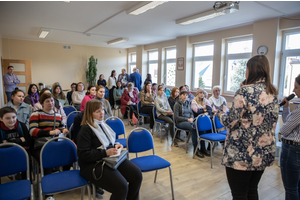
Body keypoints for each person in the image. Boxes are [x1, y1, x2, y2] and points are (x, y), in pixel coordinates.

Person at [217, 55, 279, 200]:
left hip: (242, 154)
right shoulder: (273, 92)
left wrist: (220, 114)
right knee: (252, 190)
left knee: (239, 194)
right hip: (263, 152)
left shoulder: (244, 91)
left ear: (251, 70)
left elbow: (231, 121)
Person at [77, 99, 142, 200]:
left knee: (137, 175)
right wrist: (105, 153)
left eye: (102, 110)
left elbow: (109, 142)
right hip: (92, 164)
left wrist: (116, 145)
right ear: (90, 113)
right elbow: (83, 154)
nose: (102, 113)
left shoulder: (102, 124)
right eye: (97, 111)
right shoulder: (85, 129)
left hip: (109, 159)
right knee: (121, 187)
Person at [29, 92, 69, 200]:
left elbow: (60, 128)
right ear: (42, 103)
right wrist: (49, 132)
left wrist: (63, 130)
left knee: (70, 153)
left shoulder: (58, 115)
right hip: (41, 144)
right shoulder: (36, 114)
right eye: (47, 101)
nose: (50, 103)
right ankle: (48, 194)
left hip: (55, 143)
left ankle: (63, 181)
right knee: (48, 159)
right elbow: (32, 131)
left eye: (52, 101)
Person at [280, 74, 300, 200]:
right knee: (297, 186)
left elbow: (284, 130)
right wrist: (286, 108)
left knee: (291, 189)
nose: (293, 90)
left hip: (292, 151)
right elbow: (290, 123)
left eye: (296, 87)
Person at [0, 107, 32, 181]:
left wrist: (8, 142)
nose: (11, 120)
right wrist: (20, 140)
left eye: (13, 117)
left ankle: (27, 182)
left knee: (27, 160)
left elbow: (29, 141)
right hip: (4, 154)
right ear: (1, 119)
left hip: (21, 152)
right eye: (7, 118)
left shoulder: (21, 126)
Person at [174, 91, 204, 158]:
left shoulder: (187, 103)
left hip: (189, 121)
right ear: (180, 96)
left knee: (200, 127)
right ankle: (196, 149)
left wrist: (192, 118)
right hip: (180, 122)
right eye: (183, 95)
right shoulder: (177, 104)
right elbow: (176, 117)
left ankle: (203, 148)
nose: (185, 96)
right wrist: (187, 119)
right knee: (194, 128)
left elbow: (191, 113)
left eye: (186, 95)